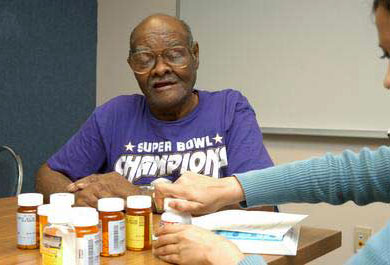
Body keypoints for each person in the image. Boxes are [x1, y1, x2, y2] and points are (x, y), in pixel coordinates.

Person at [153, 1, 390, 264]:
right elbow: (353, 173)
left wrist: (221, 256)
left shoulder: (231, 106)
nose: (386, 80)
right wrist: (229, 187)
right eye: (386, 56)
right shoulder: (113, 114)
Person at [35, 14, 274, 207]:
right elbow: (47, 175)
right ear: (131, 65)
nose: (160, 69)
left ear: (195, 55)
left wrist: (141, 197)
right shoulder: (114, 115)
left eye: (174, 54)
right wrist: (76, 200)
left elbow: (261, 200)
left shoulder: (229, 109)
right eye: (145, 58)